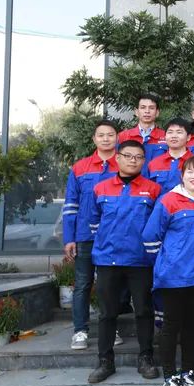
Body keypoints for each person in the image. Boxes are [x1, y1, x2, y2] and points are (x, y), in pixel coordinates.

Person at [143, 156, 194, 386]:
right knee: (171, 326)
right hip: (174, 277)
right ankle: (169, 377)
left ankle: (188, 372)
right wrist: (166, 261)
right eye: (190, 172)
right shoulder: (169, 200)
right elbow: (150, 236)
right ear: (182, 175)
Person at [86, 140, 162, 384]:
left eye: (138, 157)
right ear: (117, 158)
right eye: (128, 156)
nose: (133, 160)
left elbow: (157, 225)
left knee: (144, 311)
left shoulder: (153, 189)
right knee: (107, 313)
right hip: (108, 260)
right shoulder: (101, 188)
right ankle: (105, 361)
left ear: (144, 161)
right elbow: (93, 223)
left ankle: (146, 358)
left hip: (140, 261)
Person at [64, 119, 120, 351]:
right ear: (94, 139)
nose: (106, 139)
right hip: (85, 235)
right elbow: (71, 204)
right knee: (83, 284)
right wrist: (69, 237)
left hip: (115, 236)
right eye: (101, 135)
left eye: (110, 135)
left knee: (111, 285)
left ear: (117, 138)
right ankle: (80, 331)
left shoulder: (125, 164)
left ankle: (111, 329)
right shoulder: (80, 168)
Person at [144, 118, 193, 195]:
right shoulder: (154, 163)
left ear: (188, 137)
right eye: (170, 132)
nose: (174, 136)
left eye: (179, 132)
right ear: (165, 136)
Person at [117, 93, 167, 162]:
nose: (147, 111)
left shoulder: (166, 136)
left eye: (151, 108)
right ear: (136, 112)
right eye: (143, 107)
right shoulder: (123, 136)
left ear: (157, 112)